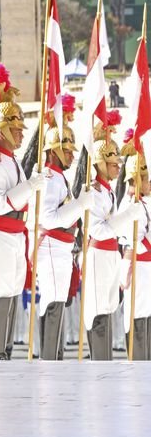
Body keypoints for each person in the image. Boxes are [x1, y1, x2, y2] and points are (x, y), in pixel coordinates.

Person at [0, 64, 43, 360]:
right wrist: (29, 186)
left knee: (15, 288)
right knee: (2, 290)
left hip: (15, 232)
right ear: (1, 131)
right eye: (15, 129)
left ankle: (6, 347)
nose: (20, 135)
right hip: (1, 231)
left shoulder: (11, 161)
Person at [82, 112, 140, 360]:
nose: (118, 165)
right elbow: (99, 230)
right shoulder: (94, 192)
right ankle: (99, 363)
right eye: (112, 161)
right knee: (98, 311)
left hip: (110, 255)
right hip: (98, 253)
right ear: (99, 163)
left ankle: (104, 362)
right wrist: (128, 215)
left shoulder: (108, 192)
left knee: (108, 308)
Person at [36, 116, 93, 360]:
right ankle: (50, 357)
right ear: (54, 150)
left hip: (61, 245)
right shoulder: (50, 177)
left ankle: (54, 355)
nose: (71, 156)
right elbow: (49, 218)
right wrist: (80, 205)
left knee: (58, 301)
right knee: (52, 302)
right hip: (52, 243)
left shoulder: (58, 177)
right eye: (67, 151)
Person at [117, 133, 151, 359]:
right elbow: (128, 239)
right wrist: (125, 269)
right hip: (139, 267)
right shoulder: (131, 205)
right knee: (137, 316)